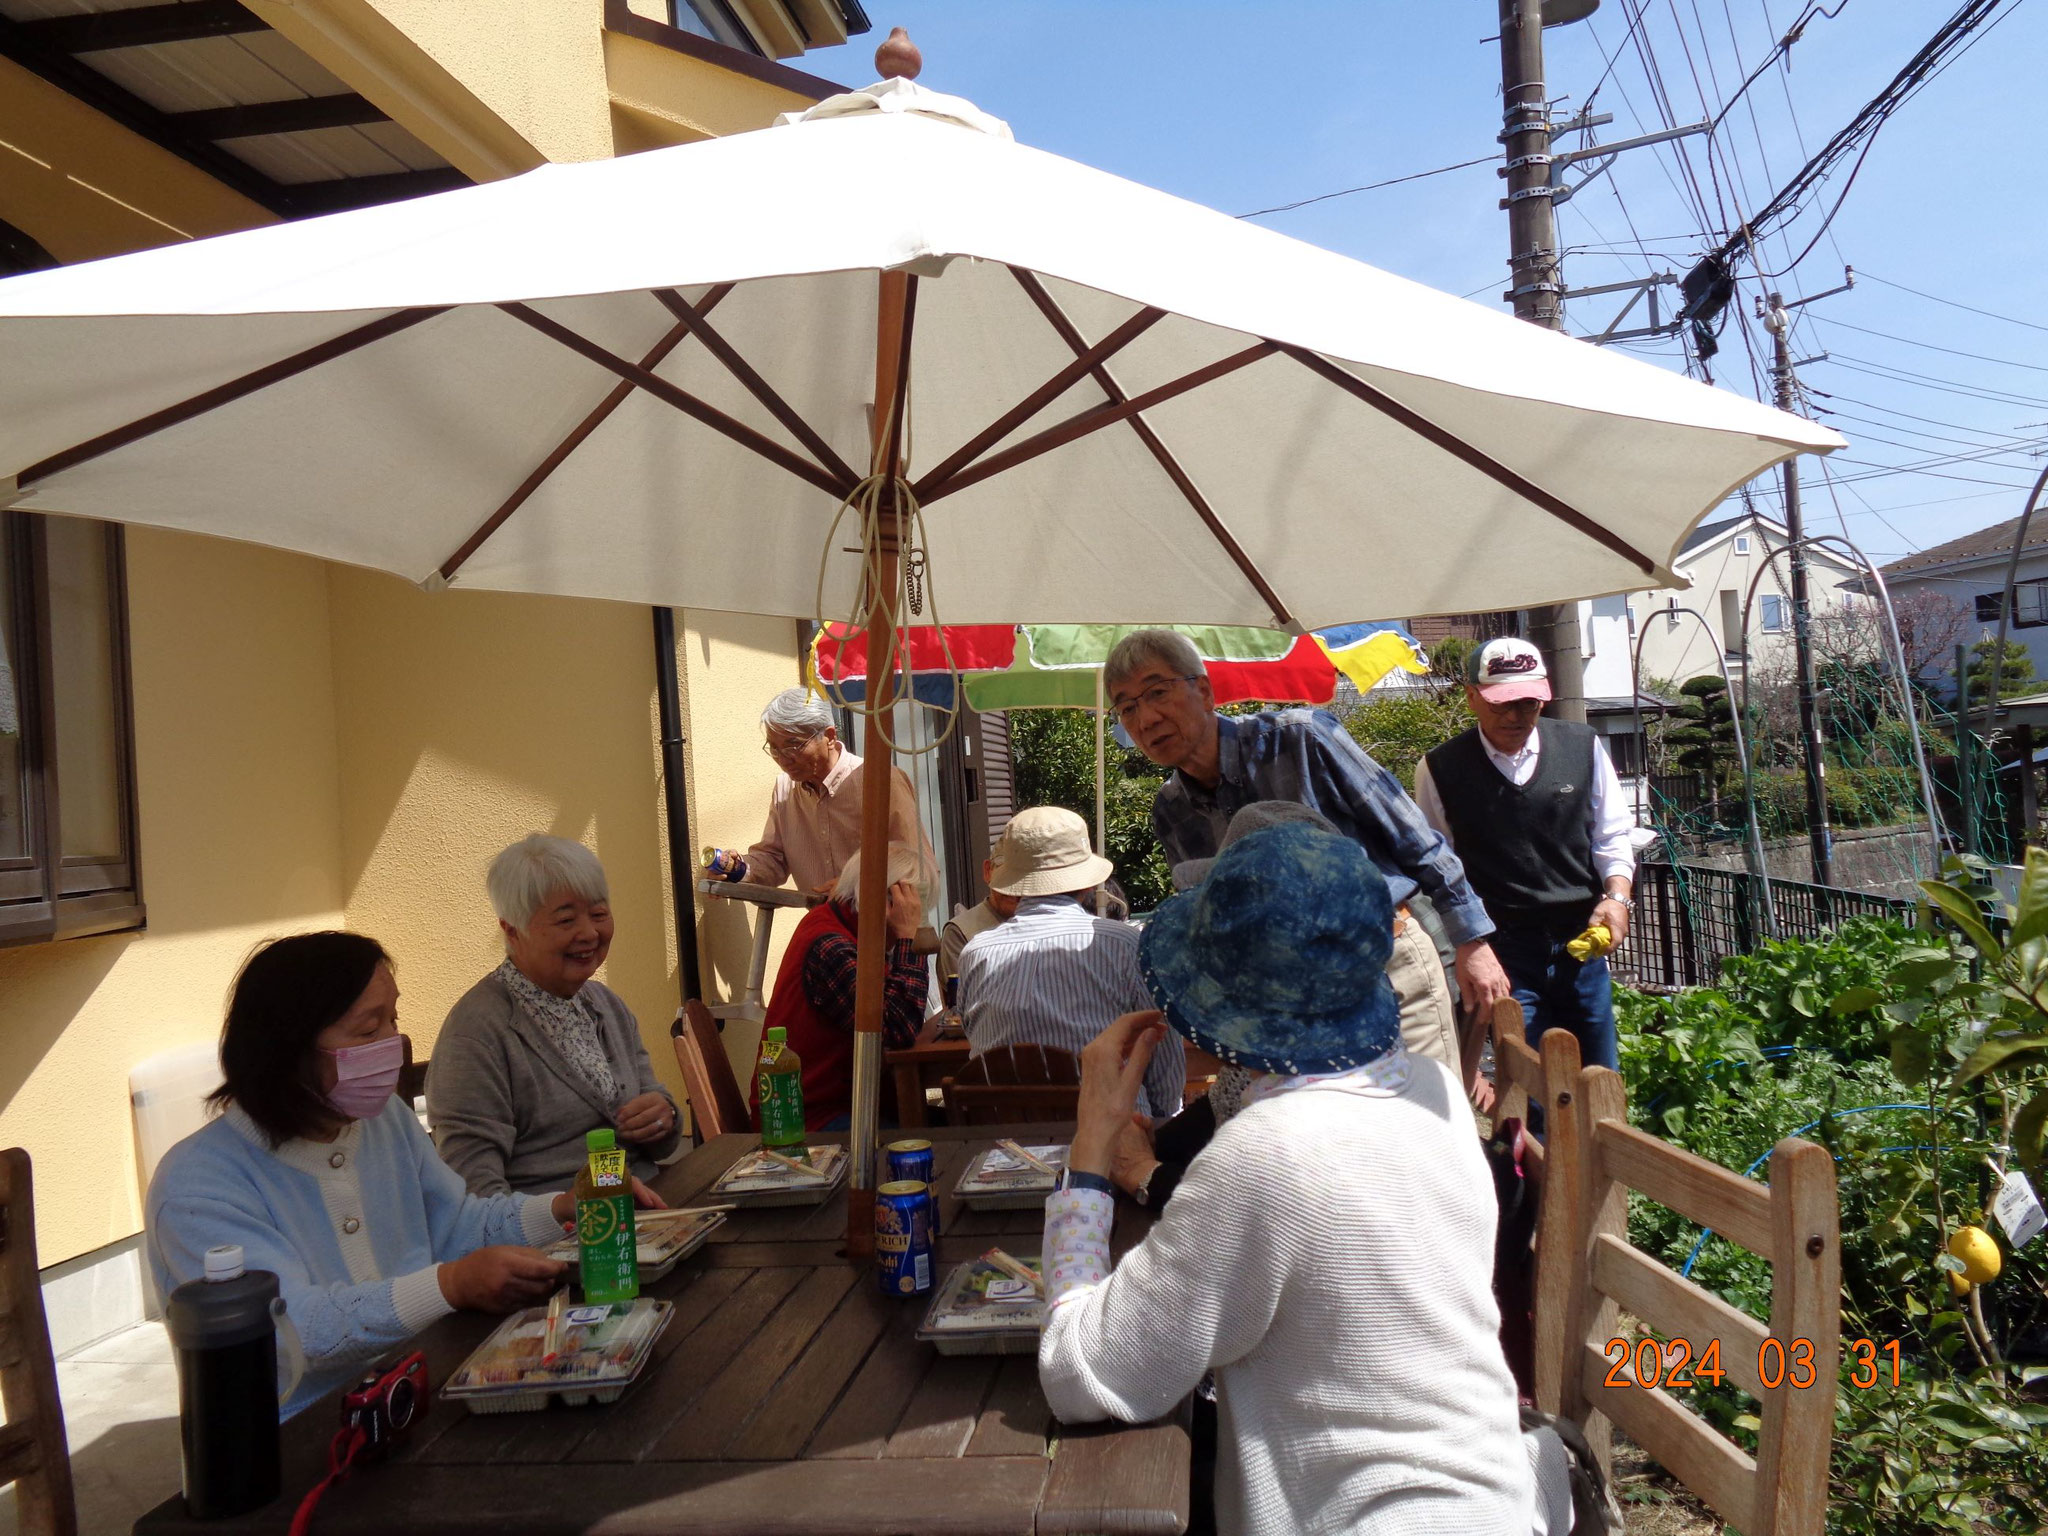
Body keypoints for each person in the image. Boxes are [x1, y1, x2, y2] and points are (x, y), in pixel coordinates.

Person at [1036, 825, 1568, 1535]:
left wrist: (1091, 1150)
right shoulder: (1433, 1095)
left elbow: (1078, 1376)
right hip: (1502, 1507)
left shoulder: (1261, 1154)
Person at [147, 932, 659, 1419]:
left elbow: (460, 1225)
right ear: (287, 1050)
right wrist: (450, 1285)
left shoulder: (383, 1122)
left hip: (418, 1388)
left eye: (393, 1019)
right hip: (295, 1441)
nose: (393, 1044)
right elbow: (292, 1329)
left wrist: (563, 1208)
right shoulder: (198, 1184)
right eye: (369, 1030)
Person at [1104, 628, 1509, 1072]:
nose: (1145, 719)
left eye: (1156, 692)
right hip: (1292, 998)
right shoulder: (1171, 810)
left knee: (1423, 1123)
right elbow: (1213, 919)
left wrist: (1472, 941)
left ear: (1203, 690)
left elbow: (1414, 837)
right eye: (1127, 707)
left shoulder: (1302, 739)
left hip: (1390, 961)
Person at [1414, 638, 1635, 1077]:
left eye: (1529, 703)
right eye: (1501, 704)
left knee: (1600, 1074)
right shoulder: (1440, 768)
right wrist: (1467, 945)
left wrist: (1617, 898)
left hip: (1581, 941)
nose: (1516, 716)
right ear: (1472, 697)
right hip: (1503, 948)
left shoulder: (1582, 746)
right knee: (1529, 1078)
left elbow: (1611, 836)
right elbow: (1435, 870)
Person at [429, 836, 682, 1196]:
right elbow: (473, 1187)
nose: (590, 933)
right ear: (512, 931)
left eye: (599, 914)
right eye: (566, 920)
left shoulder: (607, 1006)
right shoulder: (475, 1033)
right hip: (559, 1234)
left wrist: (662, 1118)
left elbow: (660, 1134)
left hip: (642, 1209)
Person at [955, 807, 1185, 1119]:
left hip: (1005, 1146)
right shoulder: (1125, 944)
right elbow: (1162, 1051)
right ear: (1089, 883)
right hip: (1116, 1140)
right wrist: (1162, 1117)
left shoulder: (974, 953)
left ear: (1011, 881)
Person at [753, 842, 930, 1130]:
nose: (915, 917)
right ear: (890, 904)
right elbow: (898, 1030)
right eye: (913, 909)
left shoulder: (844, 927)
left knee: (951, 1122)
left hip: (841, 1104)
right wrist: (908, 939)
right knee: (934, 1140)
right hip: (805, 1121)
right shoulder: (831, 946)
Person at [703, 687, 935, 896]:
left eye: (793, 745)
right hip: (825, 931)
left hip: (883, 931)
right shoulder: (784, 790)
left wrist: (856, 887)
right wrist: (738, 869)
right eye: (774, 748)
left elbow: (919, 866)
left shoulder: (881, 780)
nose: (783, 759)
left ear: (830, 737)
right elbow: (774, 859)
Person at [938, 829, 1020, 990]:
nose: (1014, 888)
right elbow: (962, 1004)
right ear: (988, 871)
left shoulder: (1051, 922)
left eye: (1022, 878)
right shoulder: (960, 932)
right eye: (1005, 876)